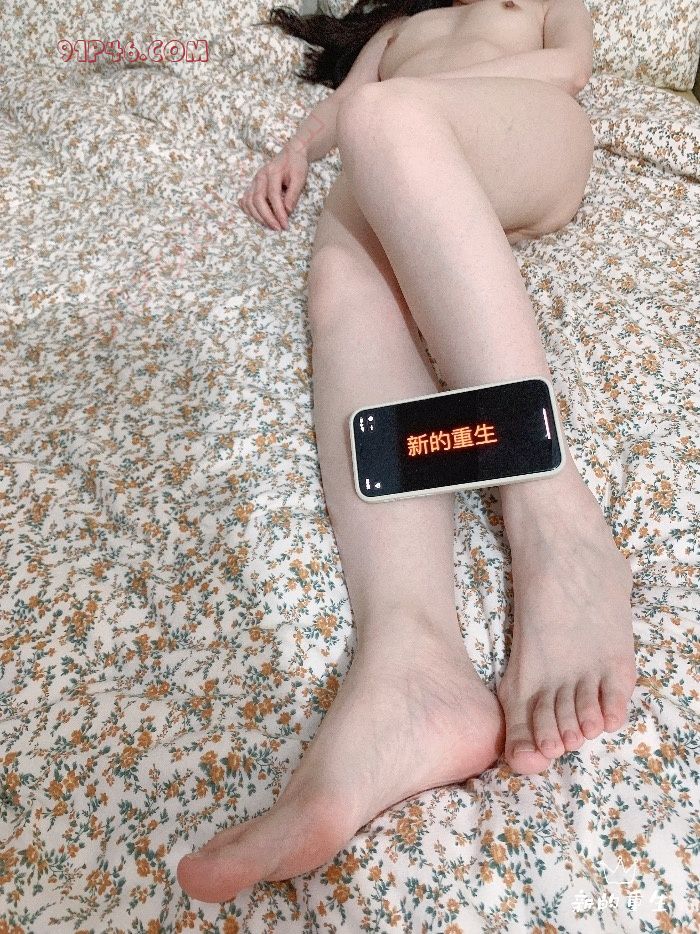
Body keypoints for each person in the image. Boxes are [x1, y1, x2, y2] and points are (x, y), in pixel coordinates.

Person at [177, 0, 636, 903]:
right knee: (341, 267)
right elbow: (341, 108)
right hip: (396, 152)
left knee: (387, 118)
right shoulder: (396, 31)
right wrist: (298, 150)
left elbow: (568, 70)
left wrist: (404, 101)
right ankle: (410, 658)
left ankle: (553, 519)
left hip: (519, 132)